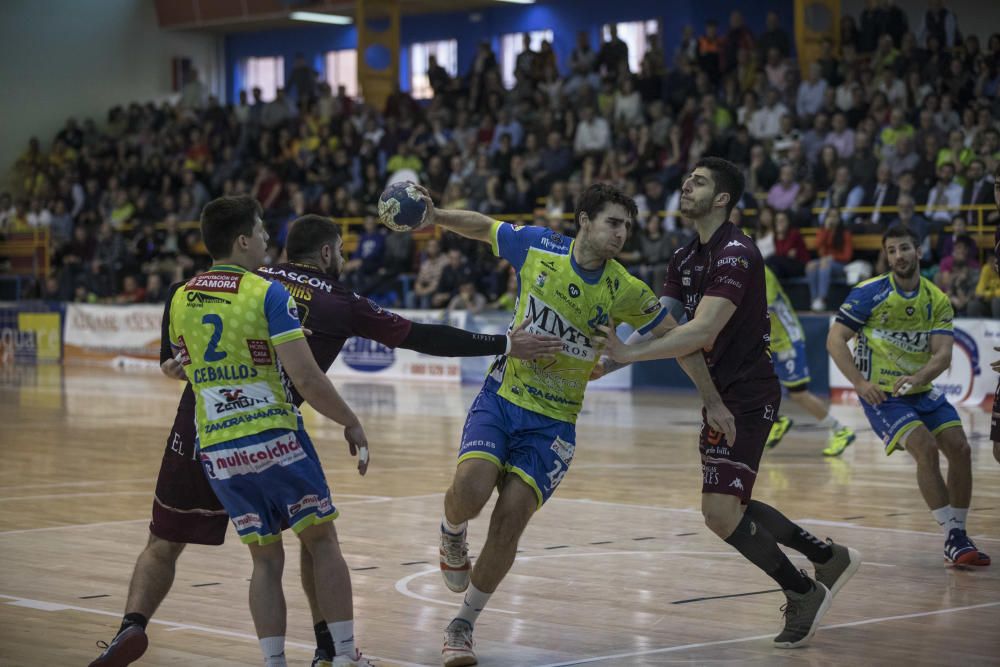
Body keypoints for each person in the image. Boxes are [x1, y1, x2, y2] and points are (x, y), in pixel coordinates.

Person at [89, 212, 562, 667]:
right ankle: (332, 651)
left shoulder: (242, 279)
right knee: (314, 541)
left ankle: (133, 623)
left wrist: (167, 360)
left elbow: (179, 306)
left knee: (166, 542)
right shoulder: (333, 299)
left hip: (201, 433)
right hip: (270, 431)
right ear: (328, 251)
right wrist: (501, 344)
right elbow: (416, 337)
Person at [418, 183, 726, 666]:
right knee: (471, 488)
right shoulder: (539, 247)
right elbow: (482, 226)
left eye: (627, 225)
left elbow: (679, 339)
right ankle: (451, 530)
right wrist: (436, 215)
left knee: (509, 521)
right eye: (612, 222)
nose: (622, 233)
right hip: (503, 398)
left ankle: (463, 624)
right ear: (584, 221)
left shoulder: (624, 287)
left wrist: (711, 399)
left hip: (555, 424)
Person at [599, 158, 860, 649]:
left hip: (748, 392)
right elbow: (664, 319)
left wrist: (629, 355)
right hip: (718, 392)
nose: (685, 185)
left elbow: (701, 329)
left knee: (720, 512)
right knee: (729, 504)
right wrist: (607, 365)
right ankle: (826, 557)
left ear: (722, 198)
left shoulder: (738, 253)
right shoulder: (682, 257)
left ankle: (803, 589)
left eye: (697, 182)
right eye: (687, 179)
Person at [827, 225, 991, 567]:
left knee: (960, 448)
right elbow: (835, 340)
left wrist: (918, 377)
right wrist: (858, 383)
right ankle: (952, 534)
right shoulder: (868, 293)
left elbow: (943, 355)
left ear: (919, 252)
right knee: (925, 448)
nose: (898, 256)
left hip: (921, 389)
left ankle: (957, 535)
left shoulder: (937, 299)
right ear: (886, 256)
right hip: (882, 396)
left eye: (904, 248)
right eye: (891, 251)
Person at [763, 264, 856, 456]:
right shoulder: (738, 272)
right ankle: (776, 421)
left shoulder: (762, 273)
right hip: (767, 342)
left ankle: (841, 430)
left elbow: (765, 306)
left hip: (786, 341)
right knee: (748, 384)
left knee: (798, 393)